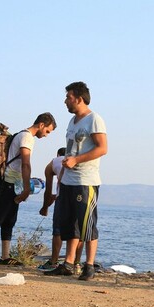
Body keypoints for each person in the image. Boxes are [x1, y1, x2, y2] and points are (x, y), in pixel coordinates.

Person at [0, 113, 56, 267]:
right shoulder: (27, 138)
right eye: (47, 131)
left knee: (9, 220)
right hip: (9, 183)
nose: (46, 135)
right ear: (41, 125)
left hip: (13, 183)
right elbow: (25, 164)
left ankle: (5, 256)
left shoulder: (22, 135)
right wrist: (27, 188)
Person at [47, 81, 107, 281]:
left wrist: (77, 160)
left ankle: (89, 266)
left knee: (87, 225)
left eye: (68, 97)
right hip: (68, 181)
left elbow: (102, 148)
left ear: (79, 99)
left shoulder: (94, 119)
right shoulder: (72, 122)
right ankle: (68, 263)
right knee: (70, 225)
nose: (65, 101)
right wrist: (63, 173)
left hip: (85, 180)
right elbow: (72, 150)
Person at [37, 147, 83, 273]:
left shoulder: (54, 162)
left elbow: (48, 190)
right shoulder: (77, 159)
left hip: (63, 197)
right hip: (81, 194)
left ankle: (53, 262)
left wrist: (45, 207)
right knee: (78, 231)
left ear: (58, 154)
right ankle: (76, 264)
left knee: (57, 231)